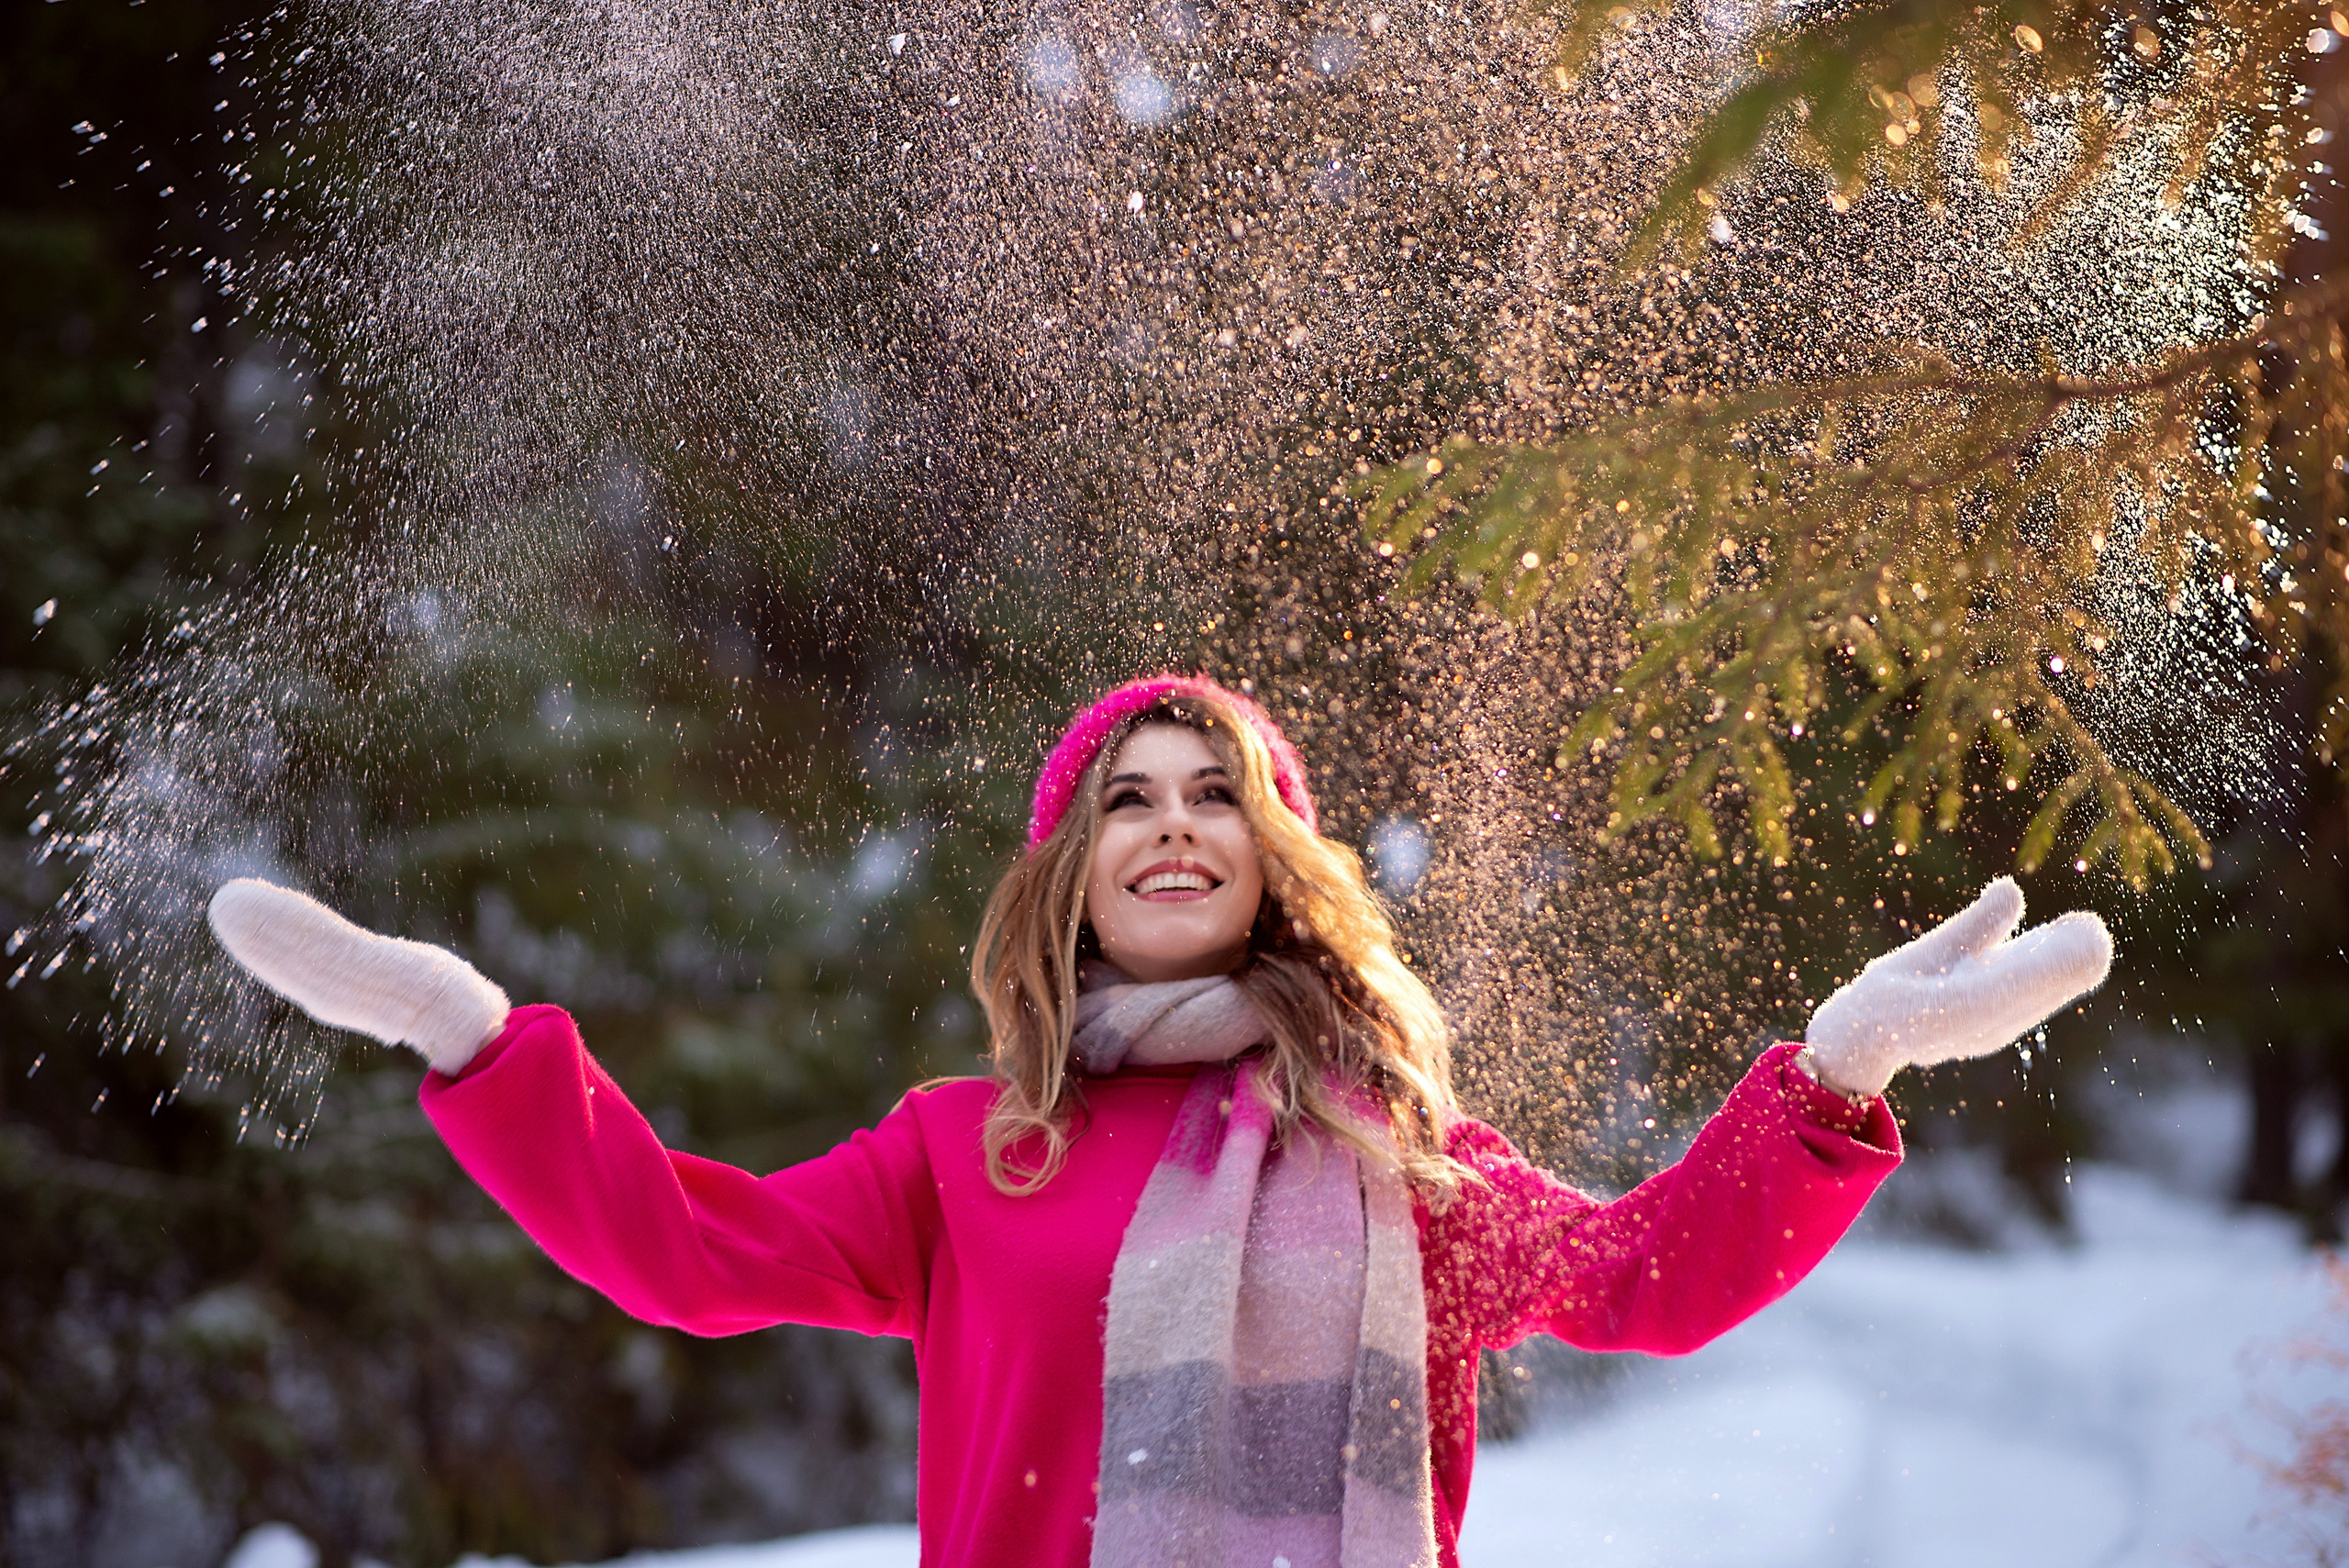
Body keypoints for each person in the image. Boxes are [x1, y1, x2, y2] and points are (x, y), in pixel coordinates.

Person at [206, 673, 2112, 1568]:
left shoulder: (1397, 1160)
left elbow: (1642, 1280)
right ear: (1073, 873)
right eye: (1127, 798)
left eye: (1216, 792)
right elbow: (690, 1257)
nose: (1174, 821)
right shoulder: (963, 1154)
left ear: (1274, 864)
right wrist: (475, 1042)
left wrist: (1833, 1073)